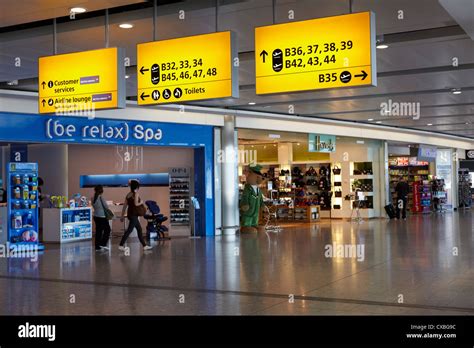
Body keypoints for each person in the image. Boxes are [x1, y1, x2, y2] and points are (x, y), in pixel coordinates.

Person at [119, 180, 152, 251]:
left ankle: (144, 246)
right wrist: (141, 202)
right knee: (129, 230)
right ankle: (121, 245)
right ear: (136, 186)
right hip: (134, 215)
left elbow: (124, 206)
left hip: (130, 214)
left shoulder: (128, 194)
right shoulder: (136, 194)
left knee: (139, 229)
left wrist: (122, 216)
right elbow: (136, 204)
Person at [92, 185, 111, 251]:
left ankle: (97, 246)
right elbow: (106, 207)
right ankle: (103, 244)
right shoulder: (101, 197)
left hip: (96, 216)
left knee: (98, 231)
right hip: (102, 217)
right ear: (101, 190)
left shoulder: (93, 197)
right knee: (107, 230)